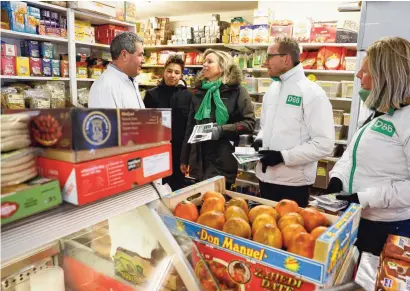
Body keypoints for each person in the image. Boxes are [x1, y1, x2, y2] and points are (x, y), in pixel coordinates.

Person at [327, 37, 410, 255]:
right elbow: (353, 155)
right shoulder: (380, 113)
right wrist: (338, 178)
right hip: (357, 217)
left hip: (387, 227)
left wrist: (365, 198)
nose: (357, 76)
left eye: (364, 72)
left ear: (385, 76)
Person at [253, 37, 335, 207]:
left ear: (286, 59)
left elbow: (324, 144)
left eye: (269, 57)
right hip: (265, 177)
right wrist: (260, 139)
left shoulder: (312, 93)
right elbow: (265, 126)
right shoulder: (272, 89)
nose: (265, 63)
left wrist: (283, 157)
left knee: (290, 231)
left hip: (293, 185)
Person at [180, 49, 255, 189]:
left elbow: (249, 123)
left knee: (218, 203)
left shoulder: (237, 92)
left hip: (223, 158)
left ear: (222, 67)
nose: (204, 65)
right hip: (199, 160)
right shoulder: (198, 93)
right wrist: (184, 158)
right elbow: (190, 127)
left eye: (210, 62)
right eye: (204, 62)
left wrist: (220, 130)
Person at [144, 55, 193, 191]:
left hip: (179, 152)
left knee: (177, 187)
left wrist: (186, 156)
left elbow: (189, 127)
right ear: (164, 72)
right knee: (157, 187)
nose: (172, 75)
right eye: (169, 71)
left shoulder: (188, 96)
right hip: (157, 151)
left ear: (181, 75)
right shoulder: (151, 95)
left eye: (177, 73)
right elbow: (145, 126)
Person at [89, 32, 145, 108]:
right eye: (140, 55)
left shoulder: (130, 80)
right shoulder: (104, 87)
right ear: (124, 55)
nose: (143, 60)